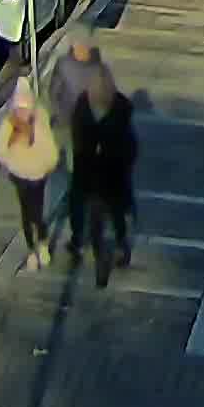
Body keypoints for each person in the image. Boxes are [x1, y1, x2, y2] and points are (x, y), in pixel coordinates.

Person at [62, 44, 138, 285]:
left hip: (96, 171)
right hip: (107, 172)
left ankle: (85, 246)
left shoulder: (86, 107)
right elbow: (129, 143)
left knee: (90, 212)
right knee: (110, 213)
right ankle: (116, 247)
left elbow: (78, 137)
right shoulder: (117, 108)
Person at [0, 81, 62, 271]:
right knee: (26, 215)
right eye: (19, 109)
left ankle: (42, 243)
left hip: (38, 174)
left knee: (37, 213)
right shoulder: (10, 124)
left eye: (25, 108)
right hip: (20, 174)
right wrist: (11, 160)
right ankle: (31, 251)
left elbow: (49, 149)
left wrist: (47, 165)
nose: (22, 113)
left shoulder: (39, 121)